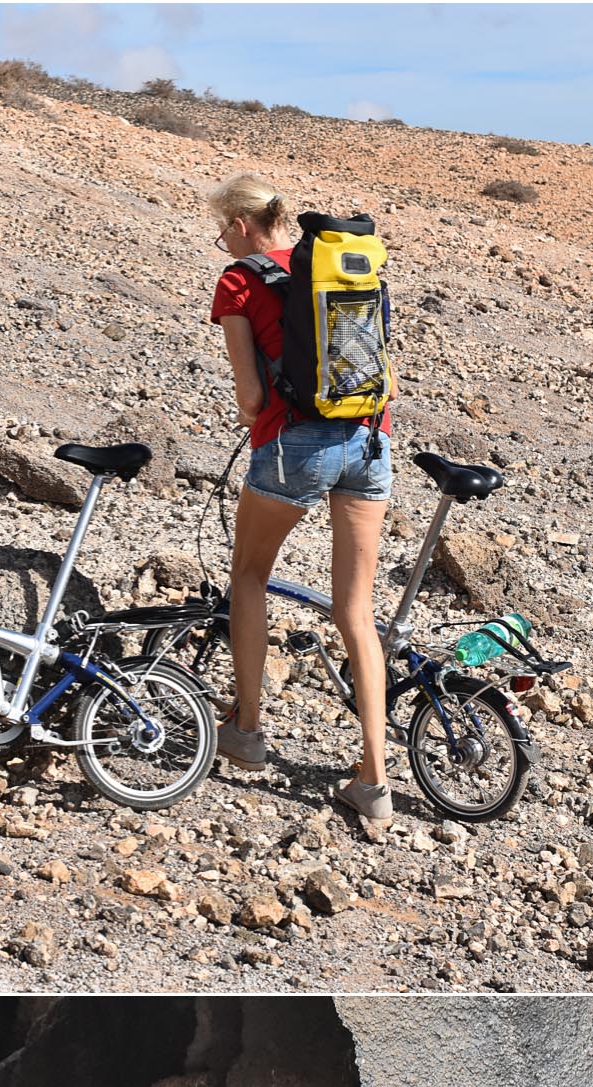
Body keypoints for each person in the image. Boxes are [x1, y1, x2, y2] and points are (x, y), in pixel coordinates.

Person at [207, 172, 397, 828]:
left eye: (220, 230)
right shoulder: (344, 264)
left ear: (239, 224)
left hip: (296, 447)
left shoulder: (239, 281)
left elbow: (253, 400)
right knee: (357, 613)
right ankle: (373, 781)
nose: (221, 242)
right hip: (371, 442)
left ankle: (248, 731)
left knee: (249, 576)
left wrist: (250, 414)